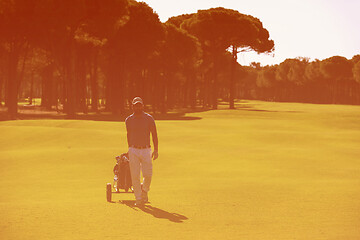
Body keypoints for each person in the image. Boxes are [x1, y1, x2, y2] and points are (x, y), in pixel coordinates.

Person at [125, 97, 158, 206]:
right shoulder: (128, 120)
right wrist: (129, 148)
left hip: (146, 149)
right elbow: (128, 134)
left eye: (139, 105)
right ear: (132, 106)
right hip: (133, 149)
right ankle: (138, 199)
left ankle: (144, 190)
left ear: (142, 106)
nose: (137, 107)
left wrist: (156, 149)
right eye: (135, 105)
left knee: (148, 174)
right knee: (135, 175)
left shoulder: (149, 118)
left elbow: (154, 134)